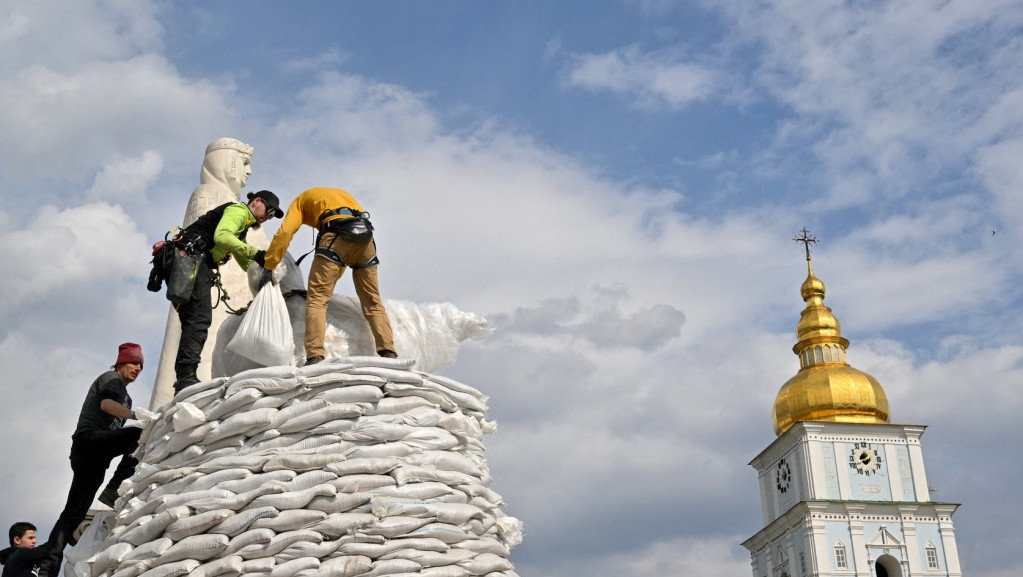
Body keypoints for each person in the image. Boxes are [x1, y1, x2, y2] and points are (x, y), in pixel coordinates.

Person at [260, 187, 396, 365]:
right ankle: (389, 352)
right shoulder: (340, 196)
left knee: (317, 300)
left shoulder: (300, 202)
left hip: (335, 234)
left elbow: (285, 233)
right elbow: (344, 259)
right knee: (372, 301)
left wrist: (269, 266)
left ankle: (315, 355)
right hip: (365, 239)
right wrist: (329, 281)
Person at [171, 190, 283, 392]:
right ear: (256, 201)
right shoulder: (239, 211)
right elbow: (222, 236)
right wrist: (256, 253)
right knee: (198, 319)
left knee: (194, 320)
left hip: (191, 262)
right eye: (270, 210)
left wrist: (263, 273)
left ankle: (184, 376)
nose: (269, 217)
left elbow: (244, 260)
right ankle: (186, 378)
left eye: (273, 215)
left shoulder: (242, 226)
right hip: (193, 261)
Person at [45, 343, 146, 562]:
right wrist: (137, 416)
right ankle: (114, 489)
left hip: (97, 458)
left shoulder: (127, 397)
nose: (138, 368)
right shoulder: (111, 379)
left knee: (75, 513)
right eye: (134, 362)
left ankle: (47, 563)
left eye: (141, 365)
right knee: (140, 434)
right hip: (89, 442)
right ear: (120, 363)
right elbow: (107, 405)